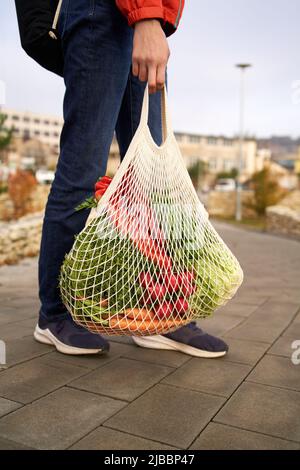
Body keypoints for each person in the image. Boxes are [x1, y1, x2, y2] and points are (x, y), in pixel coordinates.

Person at [34, 0, 228, 359]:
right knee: (83, 170)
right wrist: (146, 18)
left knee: (152, 178)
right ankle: (55, 314)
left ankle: (161, 314)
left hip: (141, 17)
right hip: (102, 13)